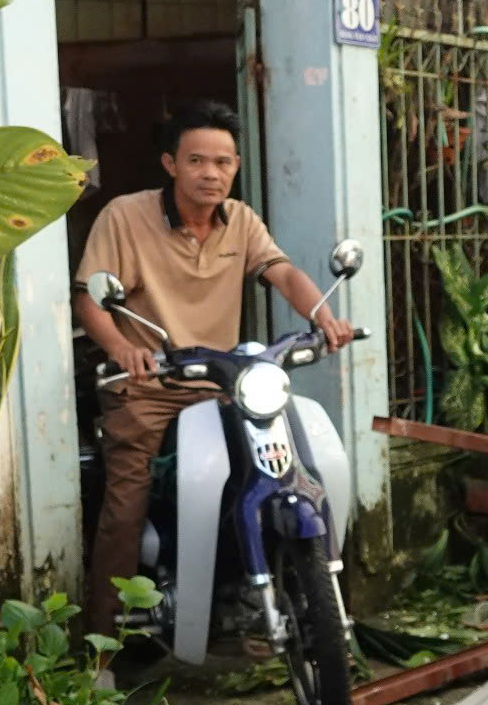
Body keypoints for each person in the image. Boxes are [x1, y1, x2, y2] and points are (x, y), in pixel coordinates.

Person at [73, 102, 355, 636]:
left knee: (285, 461)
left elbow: (283, 272)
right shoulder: (125, 217)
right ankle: (101, 644)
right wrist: (121, 350)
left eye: (223, 163)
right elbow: (90, 298)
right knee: (126, 502)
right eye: (197, 160)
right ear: (170, 163)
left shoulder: (242, 222)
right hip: (148, 385)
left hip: (220, 384)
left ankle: (268, 593)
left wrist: (324, 317)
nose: (211, 173)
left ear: (236, 166)